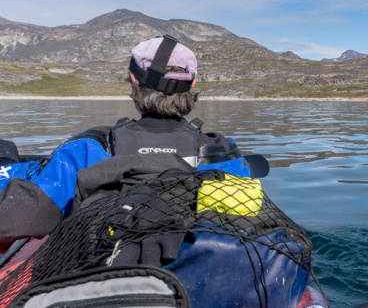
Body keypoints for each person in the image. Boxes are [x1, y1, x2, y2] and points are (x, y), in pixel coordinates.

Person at [0, 35, 267, 247]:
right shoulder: (220, 151)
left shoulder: (89, 148)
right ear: (192, 85)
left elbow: (17, 219)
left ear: (133, 82)